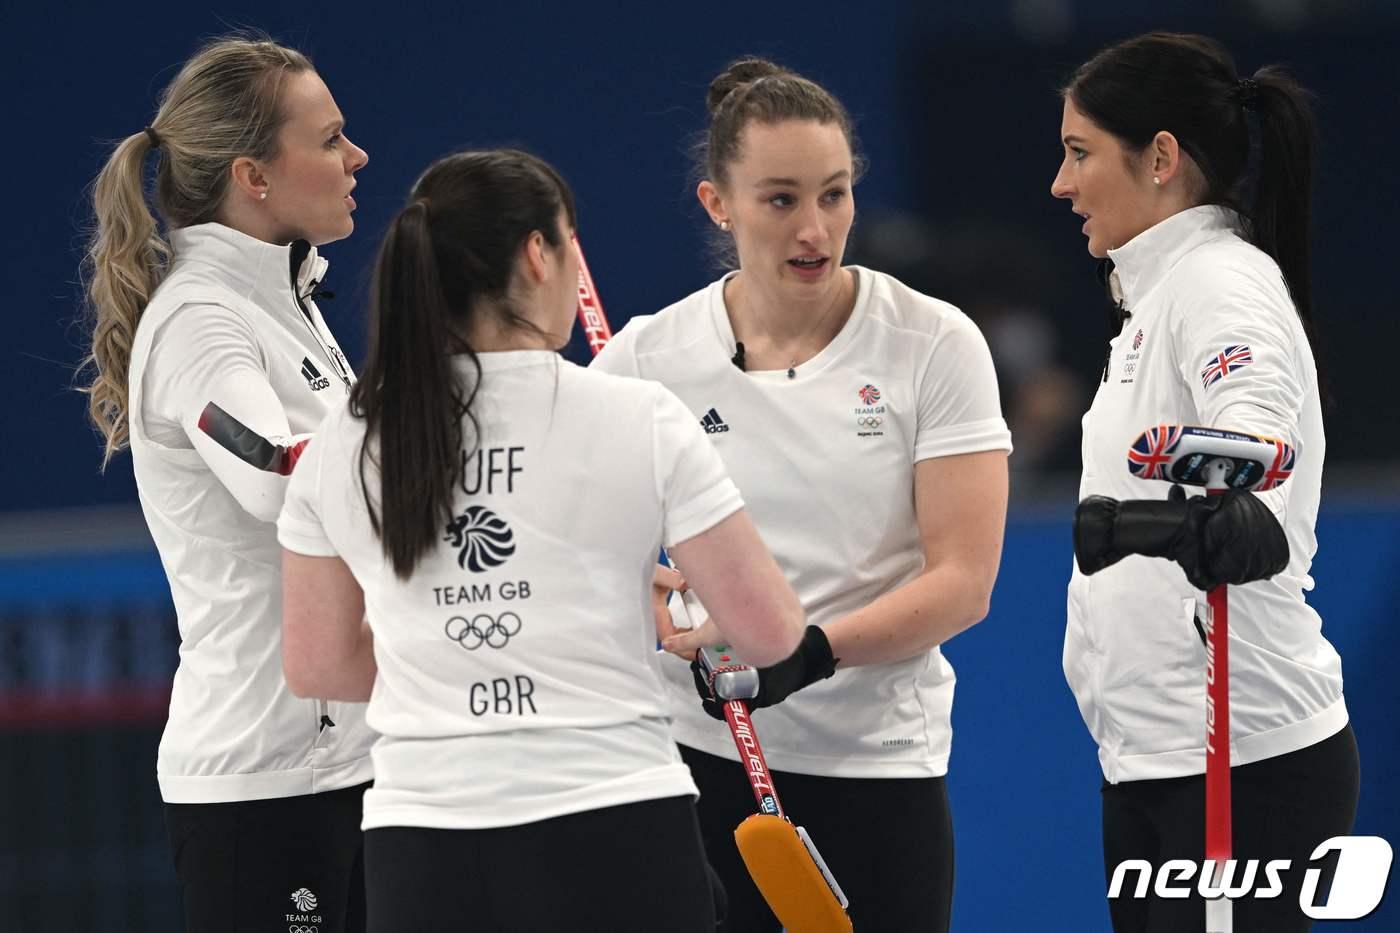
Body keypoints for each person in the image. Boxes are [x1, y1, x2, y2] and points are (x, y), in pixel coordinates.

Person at [277, 148, 806, 933]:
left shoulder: (343, 442)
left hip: (424, 848)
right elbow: (770, 631)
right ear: (537, 254)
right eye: (571, 245)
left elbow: (318, 663)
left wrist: (469, 648)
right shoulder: (642, 418)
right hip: (617, 826)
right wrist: (625, 618)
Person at [592, 58, 1012, 932]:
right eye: (781, 199)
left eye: (835, 194)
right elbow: (574, 543)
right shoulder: (643, 358)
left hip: (875, 770)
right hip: (693, 761)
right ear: (719, 204)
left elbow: (963, 582)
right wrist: (635, 587)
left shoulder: (933, 345)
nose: (815, 228)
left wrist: (806, 653)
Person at [1050, 31, 1358, 932]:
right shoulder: (1158, 293)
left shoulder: (1221, 282)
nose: (1059, 184)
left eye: (1078, 153)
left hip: (1238, 757)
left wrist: (1244, 508)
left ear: (1160, 160)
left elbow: (1258, 428)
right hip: (1154, 756)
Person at [78, 35, 375, 932]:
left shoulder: (292, 306)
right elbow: (282, 482)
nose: (356, 157)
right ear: (253, 174)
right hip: (268, 789)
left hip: (356, 764)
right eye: (329, 140)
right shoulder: (202, 322)